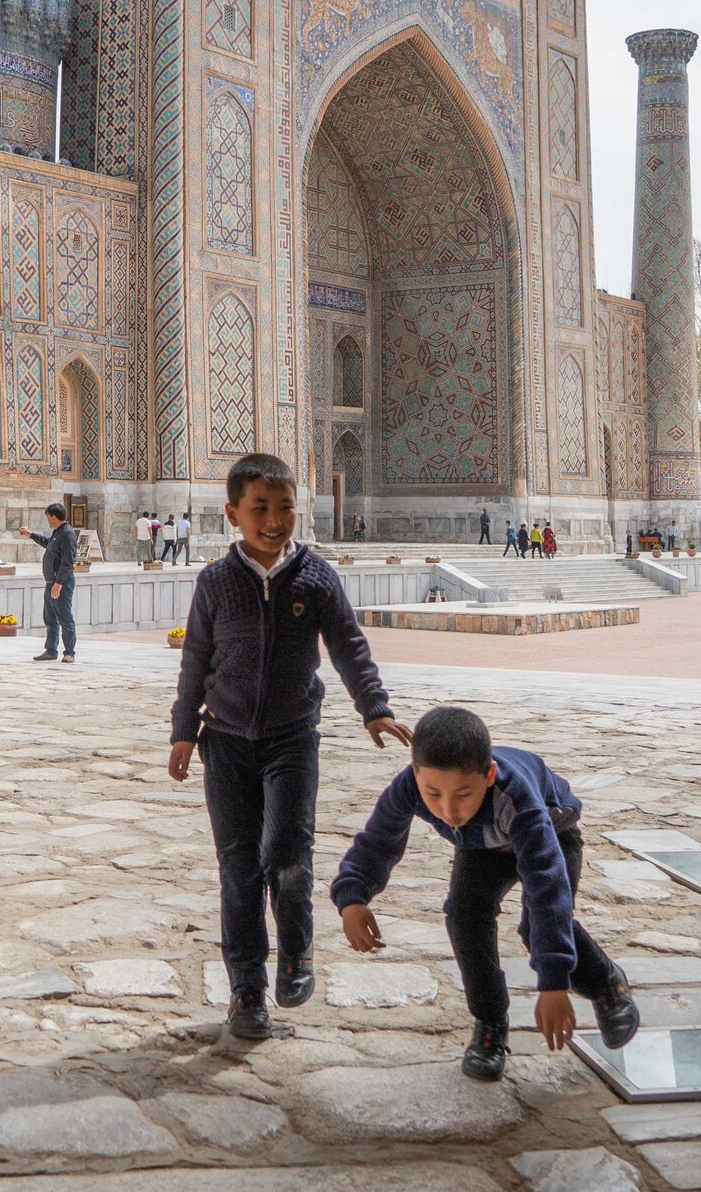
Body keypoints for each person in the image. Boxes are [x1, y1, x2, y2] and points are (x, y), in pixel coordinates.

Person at [168, 452, 410, 1040]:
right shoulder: (216, 582)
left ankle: (296, 951)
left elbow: (349, 646)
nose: (273, 520)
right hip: (223, 741)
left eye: (284, 508)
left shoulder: (317, 578)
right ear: (233, 514)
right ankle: (246, 989)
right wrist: (181, 729)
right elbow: (196, 659)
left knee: (287, 852)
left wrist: (373, 707)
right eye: (260, 509)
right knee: (238, 867)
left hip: (292, 738)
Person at [331, 705, 638, 1080]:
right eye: (433, 794)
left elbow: (546, 886)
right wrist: (353, 897)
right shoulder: (408, 787)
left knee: (536, 926)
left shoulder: (518, 799)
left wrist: (554, 983)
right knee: (464, 916)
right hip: (482, 847)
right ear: (415, 774)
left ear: (489, 774)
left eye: (463, 794)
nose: (448, 810)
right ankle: (490, 1025)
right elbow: (377, 842)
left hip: (553, 835)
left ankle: (609, 986)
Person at [19, 504, 79, 662]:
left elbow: (68, 562)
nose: (47, 521)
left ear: (54, 517)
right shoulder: (58, 532)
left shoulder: (67, 534)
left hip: (61, 583)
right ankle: (51, 650)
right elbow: (48, 544)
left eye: (48, 517)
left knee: (65, 617)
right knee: (50, 618)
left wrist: (58, 583)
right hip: (51, 582)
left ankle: (69, 653)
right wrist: (30, 534)